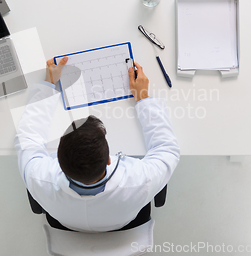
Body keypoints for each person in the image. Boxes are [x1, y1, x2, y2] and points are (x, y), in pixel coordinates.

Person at [14, 57, 180, 232]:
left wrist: (49, 84)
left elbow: (28, 135)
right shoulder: (140, 180)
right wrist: (142, 97)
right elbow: (166, 148)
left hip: (66, 221)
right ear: (109, 160)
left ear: (58, 161)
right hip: (123, 221)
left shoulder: (38, 177)